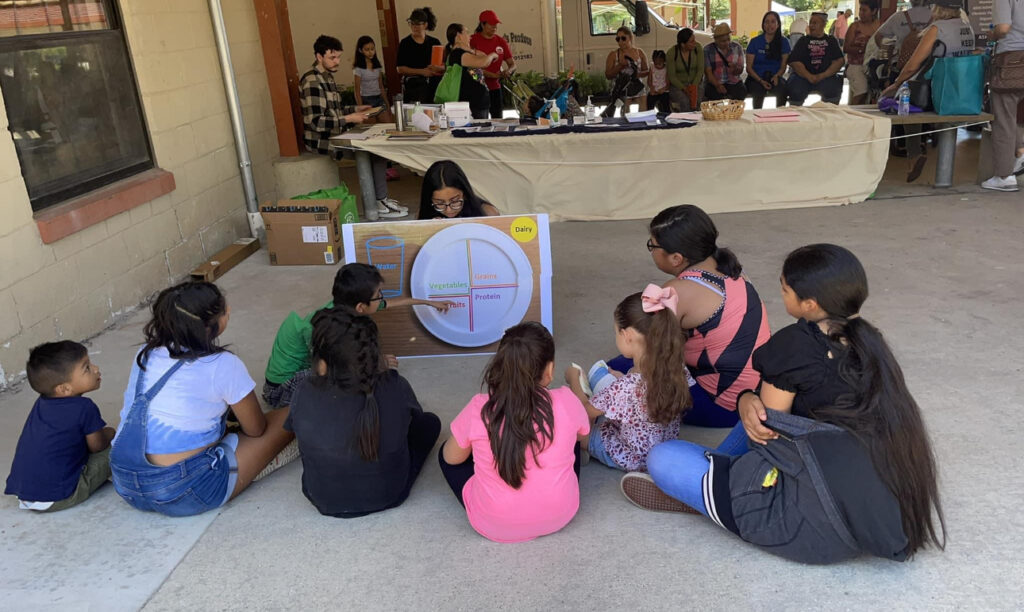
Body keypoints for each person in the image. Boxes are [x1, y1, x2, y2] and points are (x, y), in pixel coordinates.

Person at [621, 244, 947, 565]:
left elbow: (767, 427)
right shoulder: (872, 344)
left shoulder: (794, 348)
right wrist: (750, 403)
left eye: (785, 289)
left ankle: (707, 497)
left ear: (809, 304)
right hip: (867, 511)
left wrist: (747, 401)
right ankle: (710, 486)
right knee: (748, 415)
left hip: (811, 524)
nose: (782, 295)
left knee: (664, 458)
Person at [110, 282, 295, 516]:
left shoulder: (146, 353)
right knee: (293, 413)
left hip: (125, 483)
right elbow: (256, 429)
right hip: (186, 489)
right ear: (213, 325)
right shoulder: (223, 365)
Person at [610, 205, 770, 428]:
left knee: (614, 371)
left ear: (676, 258)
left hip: (722, 406)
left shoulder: (678, 290)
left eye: (652, 246)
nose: (651, 250)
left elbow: (639, 344)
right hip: (755, 392)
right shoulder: (731, 269)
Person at [438, 322, 589, 543]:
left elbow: (451, 458)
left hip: (494, 524)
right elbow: (583, 439)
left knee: (446, 454)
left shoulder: (480, 408)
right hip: (560, 515)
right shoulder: (566, 400)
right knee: (572, 441)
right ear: (549, 370)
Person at [283, 306, 441, 517]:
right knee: (430, 423)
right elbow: (414, 418)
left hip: (321, 496)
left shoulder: (304, 391)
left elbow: (296, 429)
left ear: (322, 364)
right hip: (389, 494)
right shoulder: (395, 384)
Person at [263, 263, 453, 408]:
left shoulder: (343, 307)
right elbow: (326, 369)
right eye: (379, 294)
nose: (382, 298)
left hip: (305, 372)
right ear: (361, 307)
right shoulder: (327, 329)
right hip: (282, 389)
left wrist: (428, 302)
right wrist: (376, 363)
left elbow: (390, 303)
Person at [564, 288, 690, 472]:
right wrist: (622, 379)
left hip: (630, 455)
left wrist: (573, 379)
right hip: (662, 445)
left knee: (573, 416)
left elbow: (585, 411)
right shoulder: (677, 368)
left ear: (627, 335)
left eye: (616, 332)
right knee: (608, 383)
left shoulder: (627, 387)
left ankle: (586, 448)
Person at [299, 35, 407, 220]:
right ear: (319, 56)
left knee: (377, 147)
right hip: (323, 141)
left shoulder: (327, 77)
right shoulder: (313, 81)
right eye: (332, 58)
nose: (337, 62)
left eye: (338, 57)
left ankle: (380, 200)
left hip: (338, 134)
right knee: (373, 150)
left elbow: (335, 110)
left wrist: (356, 109)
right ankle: (378, 203)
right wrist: (350, 117)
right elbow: (315, 122)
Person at [5, 341, 115, 512]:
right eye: (86, 368)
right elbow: (98, 446)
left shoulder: (41, 404)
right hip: (58, 496)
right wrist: (110, 433)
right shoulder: (84, 407)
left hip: (25, 493)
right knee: (120, 445)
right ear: (64, 389)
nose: (95, 368)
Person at [881, 0, 976, 183]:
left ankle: (914, 154)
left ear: (937, 8)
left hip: (937, 92)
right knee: (909, 98)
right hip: (963, 91)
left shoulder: (936, 29)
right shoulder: (967, 28)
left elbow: (912, 65)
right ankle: (920, 148)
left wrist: (895, 84)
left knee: (903, 99)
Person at [981, 0, 1024, 192]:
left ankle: (1004, 176)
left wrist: (992, 33)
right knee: (1014, 115)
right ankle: (1020, 152)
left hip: (1012, 61)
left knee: (1004, 117)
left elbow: (1004, 28)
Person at [786, 12, 845, 105]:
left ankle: (830, 114)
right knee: (795, 87)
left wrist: (823, 75)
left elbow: (839, 61)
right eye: (811, 23)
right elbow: (794, 61)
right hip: (803, 77)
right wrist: (809, 76)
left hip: (826, 77)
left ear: (824, 24)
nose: (811, 26)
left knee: (834, 86)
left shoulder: (831, 40)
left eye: (815, 23)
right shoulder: (803, 40)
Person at [443, 23, 498, 119]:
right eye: (467, 33)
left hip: (478, 104)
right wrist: (493, 54)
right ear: (459, 35)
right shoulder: (458, 54)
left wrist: (469, 49)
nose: (470, 37)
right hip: (472, 105)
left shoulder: (465, 52)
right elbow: (483, 62)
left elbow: (483, 55)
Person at [470, 10, 516, 119]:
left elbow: (512, 64)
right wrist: (492, 75)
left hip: (495, 87)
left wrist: (508, 71)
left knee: (498, 120)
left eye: (496, 24)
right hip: (477, 88)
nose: (494, 27)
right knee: (480, 120)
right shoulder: (473, 40)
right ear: (482, 24)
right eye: (491, 24)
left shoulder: (501, 41)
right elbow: (471, 69)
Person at [417, 160, 500, 219]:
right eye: (440, 203)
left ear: (464, 194)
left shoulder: (488, 213)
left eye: (455, 201)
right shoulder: (426, 215)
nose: (449, 210)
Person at [396, 7, 444, 105]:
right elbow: (400, 68)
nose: (415, 27)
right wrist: (422, 72)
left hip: (434, 86)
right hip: (414, 87)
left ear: (425, 25)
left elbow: (444, 65)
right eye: (412, 24)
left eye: (418, 24)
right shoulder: (405, 43)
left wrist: (438, 68)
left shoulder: (434, 42)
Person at [745, 11, 791, 109]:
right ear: (763, 24)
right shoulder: (755, 42)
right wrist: (760, 80)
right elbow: (749, 68)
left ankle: (780, 116)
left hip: (775, 76)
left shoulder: (784, 42)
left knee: (783, 89)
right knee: (758, 91)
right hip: (756, 78)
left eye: (773, 22)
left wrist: (777, 76)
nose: (769, 25)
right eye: (766, 22)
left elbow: (783, 66)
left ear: (778, 24)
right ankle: (757, 117)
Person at [603, 27, 649, 117]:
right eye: (618, 39)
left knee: (643, 101)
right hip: (621, 87)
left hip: (637, 86)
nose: (620, 41)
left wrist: (636, 74)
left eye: (623, 38)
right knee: (625, 104)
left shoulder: (639, 52)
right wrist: (620, 66)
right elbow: (608, 75)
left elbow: (646, 71)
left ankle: (642, 125)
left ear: (630, 38)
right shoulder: (613, 54)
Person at [845, 0, 881, 105]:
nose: (861, 13)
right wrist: (864, 50)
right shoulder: (854, 26)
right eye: (860, 10)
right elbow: (846, 48)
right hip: (856, 65)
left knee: (872, 94)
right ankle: (851, 116)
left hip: (874, 65)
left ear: (874, 11)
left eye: (864, 10)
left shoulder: (880, 25)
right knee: (862, 91)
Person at [704, 23, 747, 101]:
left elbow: (740, 70)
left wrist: (735, 68)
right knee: (713, 95)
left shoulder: (737, 47)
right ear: (716, 40)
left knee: (741, 91)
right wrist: (717, 85)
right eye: (723, 41)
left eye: (728, 39)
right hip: (715, 83)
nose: (727, 43)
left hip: (734, 83)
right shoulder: (708, 50)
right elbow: (708, 73)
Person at [666, 28, 705, 112]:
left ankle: (699, 122)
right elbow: (672, 76)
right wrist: (684, 88)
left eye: (694, 40)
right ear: (683, 44)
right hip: (679, 85)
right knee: (684, 102)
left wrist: (693, 87)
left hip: (696, 83)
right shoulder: (672, 53)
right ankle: (686, 122)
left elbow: (700, 69)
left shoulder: (698, 48)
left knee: (697, 102)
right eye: (691, 41)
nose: (694, 43)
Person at [352, 35, 387, 109]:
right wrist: (360, 107)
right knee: (372, 120)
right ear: (361, 50)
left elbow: (381, 86)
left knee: (387, 119)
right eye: (367, 49)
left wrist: (387, 103)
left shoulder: (377, 65)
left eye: (372, 49)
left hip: (378, 97)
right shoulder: (358, 68)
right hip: (366, 99)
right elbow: (357, 91)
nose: (370, 52)